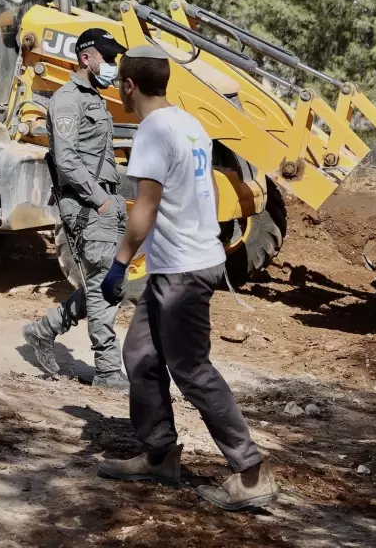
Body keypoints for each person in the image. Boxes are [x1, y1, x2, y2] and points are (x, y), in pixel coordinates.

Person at [96, 45, 278, 511]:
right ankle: (159, 455)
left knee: (192, 370)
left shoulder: (153, 131)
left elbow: (146, 207)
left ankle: (250, 473)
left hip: (183, 272)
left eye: (120, 82)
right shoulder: (189, 123)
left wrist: (119, 264)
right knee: (139, 353)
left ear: (128, 85)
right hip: (179, 266)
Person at [22, 28, 129, 390]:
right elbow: (66, 160)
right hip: (87, 204)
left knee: (109, 285)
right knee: (102, 284)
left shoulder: (94, 97)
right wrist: (99, 200)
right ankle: (109, 371)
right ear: (87, 58)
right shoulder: (68, 100)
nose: (113, 64)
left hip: (105, 203)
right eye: (108, 57)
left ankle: (43, 329)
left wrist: (111, 202)